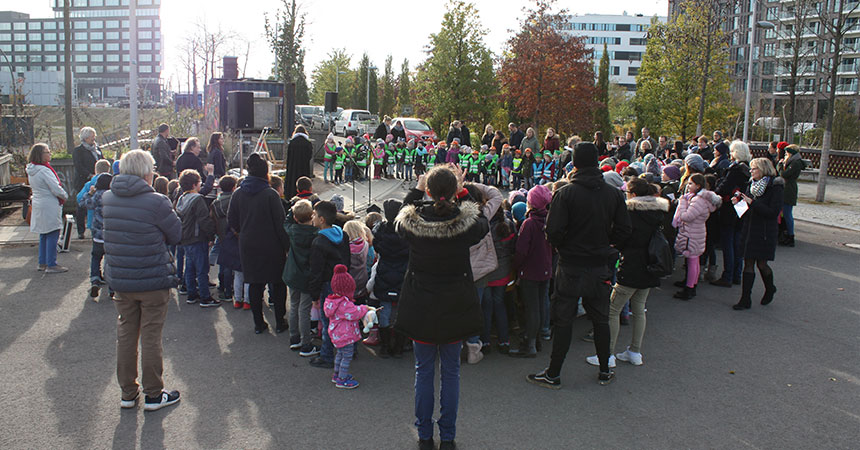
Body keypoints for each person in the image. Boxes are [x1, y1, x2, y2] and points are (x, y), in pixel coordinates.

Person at [394, 166, 488, 449]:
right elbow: (482, 220)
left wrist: (418, 189)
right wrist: (462, 188)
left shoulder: (413, 224)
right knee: (451, 373)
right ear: (453, 192)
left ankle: (424, 435)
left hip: (420, 304)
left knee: (423, 371)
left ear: (430, 191)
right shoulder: (465, 225)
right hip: (455, 305)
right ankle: (447, 436)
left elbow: (398, 217)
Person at [527, 142, 631, 389]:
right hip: (599, 264)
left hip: (571, 264)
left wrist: (565, 247)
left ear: (575, 163)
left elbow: (552, 232)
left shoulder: (565, 194)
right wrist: (608, 246)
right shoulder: (613, 194)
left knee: (563, 320)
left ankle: (554, 373)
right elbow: (625, 231)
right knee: (600, 319)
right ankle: (605, 370)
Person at [102, 149, 182, 411]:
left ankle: (127, 392)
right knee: (150, 336)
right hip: (152, 279)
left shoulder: (108, 198)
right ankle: (153, 394)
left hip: (121, 279)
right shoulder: (157, 201)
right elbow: (176, 233)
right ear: (148, 172)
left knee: (125, 334)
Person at [587, 177, 670, 368]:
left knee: (613, 309)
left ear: (632, 194)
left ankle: (607, 355)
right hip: (651, 266)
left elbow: (621, 237)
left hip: (631, 265)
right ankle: (635, 351)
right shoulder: (658, 212)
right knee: (639, 308)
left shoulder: (630, 213)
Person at [228, 153, 291, 333]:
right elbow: (280, 224)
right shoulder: (270, 195)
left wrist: (242, 233)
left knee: (255, 284)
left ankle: (258, 323)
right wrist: (287, 246)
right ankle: (280, 322)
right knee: (278, 284)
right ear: (266, 174)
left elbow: (232, 219)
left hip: (248, 244)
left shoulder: (238, 193)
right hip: (272, 245)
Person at [733, 158, 784, 310]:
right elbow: (747, 206)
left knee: (762, 263)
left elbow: (773, 212)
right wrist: (739, 203)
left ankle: (770, 288)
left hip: (765, 231)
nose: (751, 171)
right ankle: (745, 299)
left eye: (754, 169)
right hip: (749, 227)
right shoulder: (751, 184)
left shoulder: (775, 186)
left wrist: (752, 203)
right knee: (748, 263)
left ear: (762, 169)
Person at [509, 185, 553, 358]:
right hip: (546, 268)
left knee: (531, 308)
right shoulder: (550, 219)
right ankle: (538, 340)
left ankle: (530, 344)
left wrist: (516, 266)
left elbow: (521, 251)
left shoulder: (529, 223)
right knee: (541, 304)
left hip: (530, 271)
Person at [306, 200, 351, 369]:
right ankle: (348, 348)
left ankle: (326, 355)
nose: (313, 218)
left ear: (322, 219)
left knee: (327, 322)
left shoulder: (319, 242)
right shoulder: (343, 235)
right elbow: (348, 260)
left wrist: (314, 295)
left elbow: (316, 271)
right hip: (343, 282)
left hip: (327, 285)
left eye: (315, 215)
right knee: (344, 317)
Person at [671, 173, 722, 300]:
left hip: (691, 233)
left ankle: (689, 288)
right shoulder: (701, 199)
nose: (688, 186)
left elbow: (686, 216)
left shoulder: (698, 200)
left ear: (698, 185)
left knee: (693, 260)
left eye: (690, 184)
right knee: (694, 260)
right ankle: (691, 284)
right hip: (696, 232)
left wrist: (682, 203)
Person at [371, 199, 410, 358]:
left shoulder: (380, 231)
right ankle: (400, 345)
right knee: (402, 310)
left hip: (385, 270)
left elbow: (376, 246)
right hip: (403, 272)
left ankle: (386, 345)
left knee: (385, 309)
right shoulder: (407, 231)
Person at [710, 140, 752, 288]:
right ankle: (736, 274)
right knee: (736, 242)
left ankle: (727, 275)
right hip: (741, 207)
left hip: (730, 208)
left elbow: (725, 187)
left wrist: (714, 191)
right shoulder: (748, 168)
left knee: (728, 242)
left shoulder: (735, 169)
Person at [175, 169, 220, 307]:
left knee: (189, 267)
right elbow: (204, 220)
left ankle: (191, 294)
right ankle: (205, 297)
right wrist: (211, 234)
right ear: (195, 184)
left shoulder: (181, 198)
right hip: (197, 237)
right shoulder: (198, 199)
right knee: (202, 269)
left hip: (185, 238)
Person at [325, 264, 374, 389]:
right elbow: (355, 313)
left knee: (340, 354)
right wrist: (365, 308)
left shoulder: (332, 301)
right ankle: (342, 378)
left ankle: (336, 374)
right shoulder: (343, 304)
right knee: (347, 356)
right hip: (345, 335)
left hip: (337, 335)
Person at [283, 199, 321, 356]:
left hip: (293, 274)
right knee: (304, 310)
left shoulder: (292, 230)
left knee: (294, 305)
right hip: (307, 277)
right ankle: (306, 343)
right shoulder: (316, 234)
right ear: (312, 215)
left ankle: (294, 337)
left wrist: (292, 212)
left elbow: (286, 221)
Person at [26, 143, 69, 273]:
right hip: (49, 203)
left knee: (43, 233)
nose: (50, 154)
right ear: (40, 155)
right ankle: (51, 263)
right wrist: (64, 195)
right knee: (53, 231)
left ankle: (42, 262)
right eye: (47, 152)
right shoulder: (44, 170)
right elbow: (55, 188)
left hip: (39, 202)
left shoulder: (31, 169)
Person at [482, 206, 515, 354]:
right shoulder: (508, 224)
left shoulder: (484, 226)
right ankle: (504, 340)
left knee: (486, 306)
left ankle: (485, 341)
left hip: (486, 270)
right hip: (503, 270)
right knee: (500, 304)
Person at [79, 166, 112, 298]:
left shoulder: (96, 196)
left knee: (95, 257)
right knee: (110, 260)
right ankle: (111, 287)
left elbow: (83, 204)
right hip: (110, 235)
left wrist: (90, 193)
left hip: (97, 233)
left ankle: (95, 279)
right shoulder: (112, 196)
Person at [211, 175, 243, 308]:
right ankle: (237, 291)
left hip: (222, 235)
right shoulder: (236, 200)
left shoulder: (215, 203)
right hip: (235, 234)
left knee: (225, 264)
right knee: (237, 264)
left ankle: (224, 288)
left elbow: (212, 219)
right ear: (234, 187)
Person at [72, 126, 104, 239]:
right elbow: (78, 166)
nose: (93, 139)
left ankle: (94, 226)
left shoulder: (97, 149)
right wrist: (90, 175)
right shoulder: (78, 151)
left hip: (96, 181)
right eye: (91, 137)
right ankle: (81, 230)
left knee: (95, 204)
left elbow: (102, 162)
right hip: (83, 181)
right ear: (85, 138)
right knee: (81, 205)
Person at [777, 145, 804, 247]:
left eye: (787, 153)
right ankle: (785, 233)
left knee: (787, 214)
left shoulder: (795, 163)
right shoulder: (792, 162)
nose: (785, 155)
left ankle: (790, 235)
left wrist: (779, 166)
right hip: (787, 187)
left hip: (789, 189)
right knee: (784, 213)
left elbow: (784, 174)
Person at [284, 125, 314, 199]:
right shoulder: (307, 143)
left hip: (292, 168)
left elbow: (289, 156)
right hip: (303, 167)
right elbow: (309, 156)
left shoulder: (292, 143)